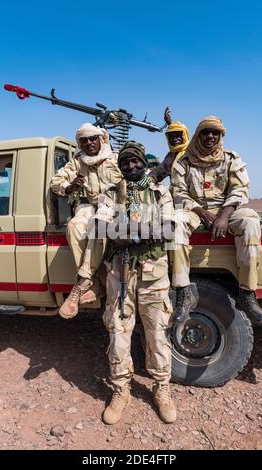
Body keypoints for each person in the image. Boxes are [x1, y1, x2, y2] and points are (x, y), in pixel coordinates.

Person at [95, 141, 177, 425]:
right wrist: (139, 233)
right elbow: (101, 227)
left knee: (157, 334)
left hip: (154, 275)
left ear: (144, 162)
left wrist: (131, 236)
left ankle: (162, 388)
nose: (131, 166)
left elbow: (168, 228)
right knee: (118, 332)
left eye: (135, 162)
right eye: (126, 163)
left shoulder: (160, 193)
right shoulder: (110, 193)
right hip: (120, 275)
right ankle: (120, 389)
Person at [171, 116, 262, 326]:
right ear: (198, 135)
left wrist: (224, 215)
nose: (210, 137)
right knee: (175, 221)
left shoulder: (231, 158)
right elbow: (178, 193)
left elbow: (239, 189)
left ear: (221, 136)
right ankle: (182, 293)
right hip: (195, 209)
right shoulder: (184, 161)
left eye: (215, 133)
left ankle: (247, 293)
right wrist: (202, 212)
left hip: (227, 209)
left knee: (251, 221)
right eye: (205, 132)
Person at [50, 123, 122, 319]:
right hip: (88, 206)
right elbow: (56, 183)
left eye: (92, 138)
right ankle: (93, 281)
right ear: (79, 143)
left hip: (113, 207)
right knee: (74, 226)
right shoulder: (77, 162)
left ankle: (82, 282)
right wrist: (70, 186)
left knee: (99, 225)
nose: (89, 142)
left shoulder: (115, 159)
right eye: (84, 140)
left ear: (101, 139)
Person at [149, 107, 189, 182]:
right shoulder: (171, 155)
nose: (175, 139)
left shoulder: (193, 151)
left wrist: (170, 123)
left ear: (184, 136)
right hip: (177, 192)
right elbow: (159, 172)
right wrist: (149, 179)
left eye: (178, 136)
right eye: (172, 137)